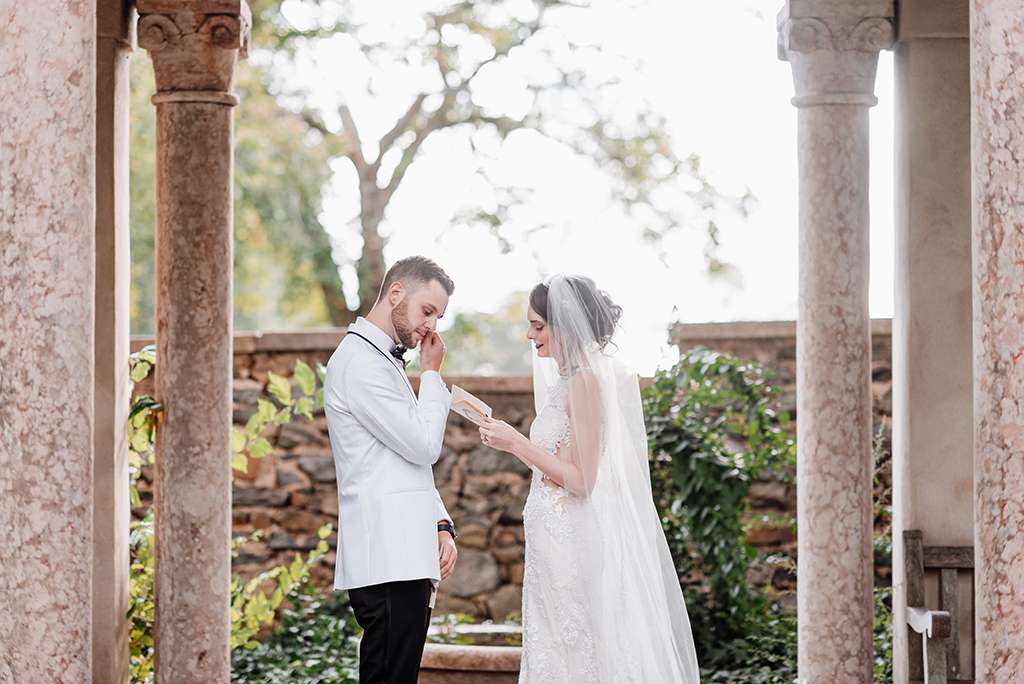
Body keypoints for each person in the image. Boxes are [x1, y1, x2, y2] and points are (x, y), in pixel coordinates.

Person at [479, 274, 701, 683]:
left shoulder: (584, 382)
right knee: (553, 649)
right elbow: (556, 462)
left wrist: (516, 442)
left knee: (576, 651)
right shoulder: (565, 383)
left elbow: (582, 480)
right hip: (550, 535)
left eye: (538, 326)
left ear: (565, 326)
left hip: (569, 536)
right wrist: (511, 443)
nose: (530, 336)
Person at [323, 256, 459, 684]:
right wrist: (432, 376)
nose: (431, 327)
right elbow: (423, 445)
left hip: (403, 554)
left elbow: (402, 456)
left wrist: (440, 523)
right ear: (396, 293)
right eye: (427, 310)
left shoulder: (381, 359)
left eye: (437, 317)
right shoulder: (360, 362)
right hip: (387, 555)